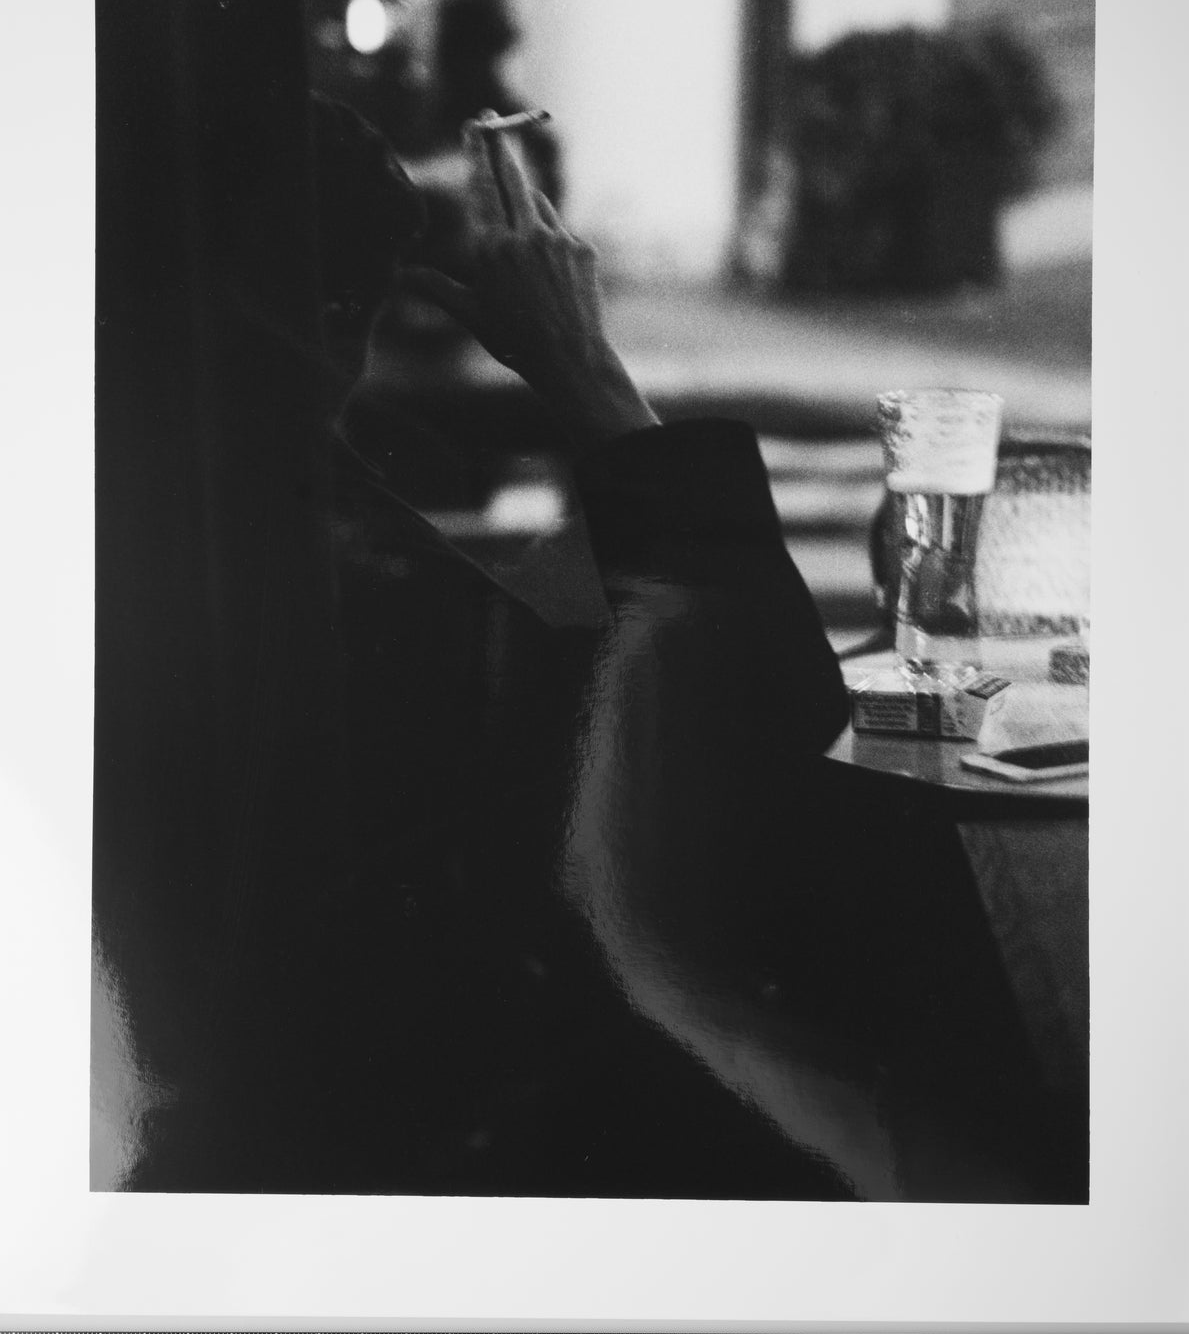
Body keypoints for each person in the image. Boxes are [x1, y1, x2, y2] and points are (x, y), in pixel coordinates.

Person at [127, 95, 1082, 1204]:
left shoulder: (196, 491)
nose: (347, 360)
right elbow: (750, 763)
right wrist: (582, 367)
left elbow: (533, 661)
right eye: (348, 308)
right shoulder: (278, 531)